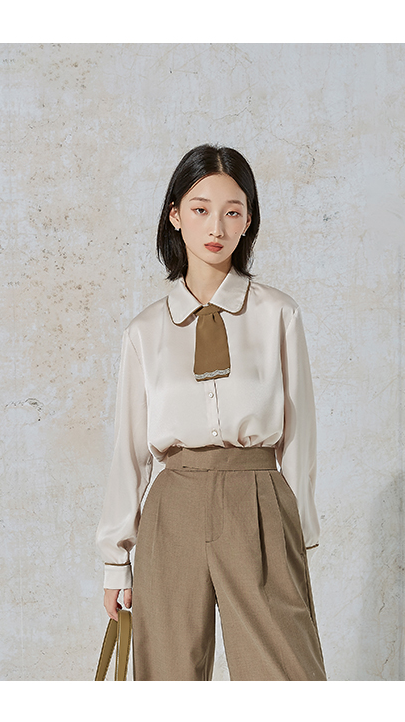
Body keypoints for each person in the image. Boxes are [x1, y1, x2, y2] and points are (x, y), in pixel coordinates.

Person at [96, 144, 327, 681]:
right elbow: (129, 450)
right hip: (172, 507)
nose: (216, 227)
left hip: (259, 500)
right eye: (200, 209)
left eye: (232, 211)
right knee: (168, 676)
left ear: (248, 220)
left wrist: (297, 531)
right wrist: (115, 560)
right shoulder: (145, 331)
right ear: (175, 215)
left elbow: (300, 433)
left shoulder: (277, 314)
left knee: (284, 676)